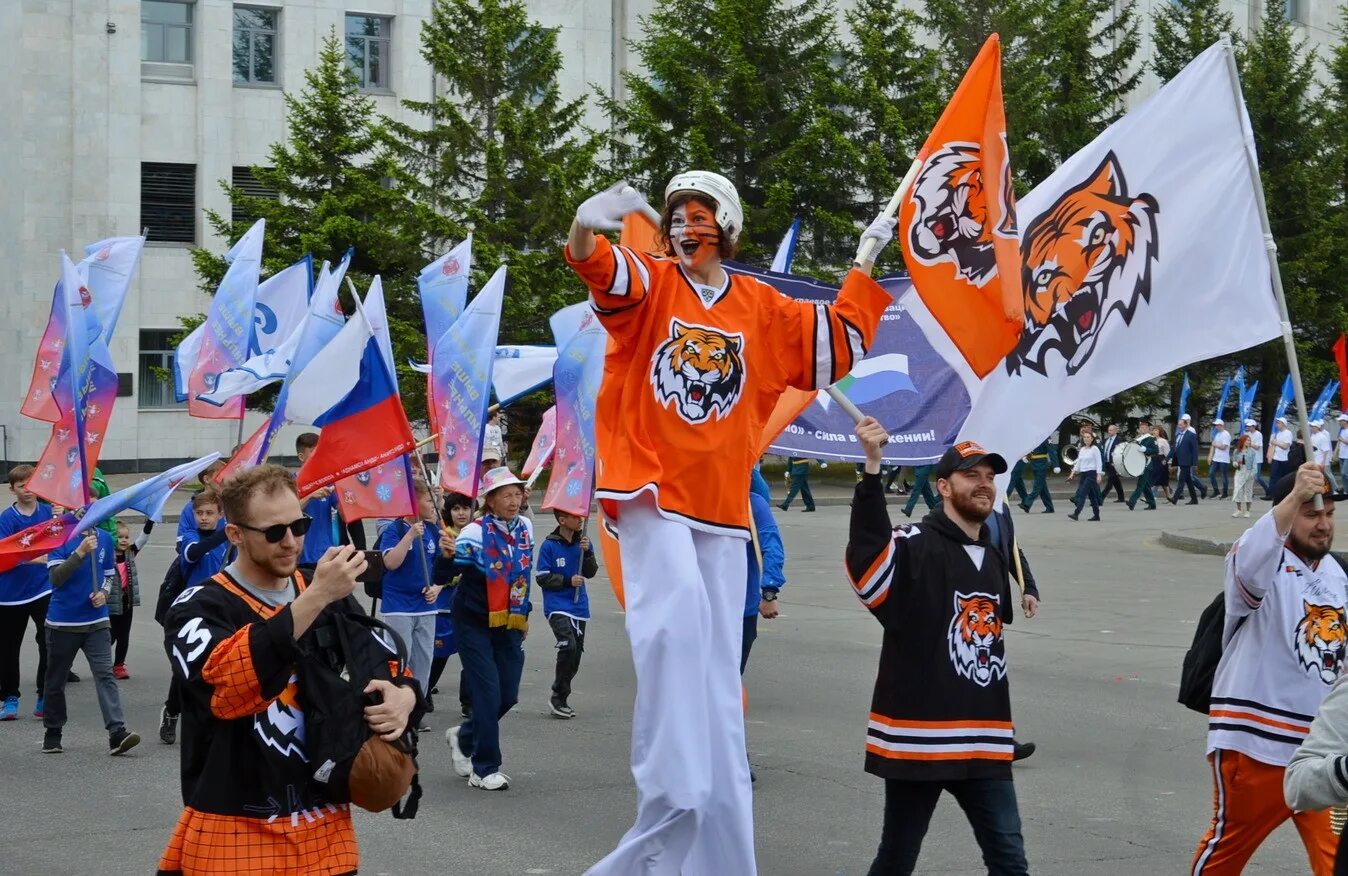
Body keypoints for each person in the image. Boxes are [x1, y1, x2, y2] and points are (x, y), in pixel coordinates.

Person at [566, 171, 894, 873]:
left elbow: (837, 344)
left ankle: (718, 837)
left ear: (728, 226)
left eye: (701, 215)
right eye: (678, 216)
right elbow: (597, 266)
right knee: (675, 618)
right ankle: (672, 789)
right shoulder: (653, 285)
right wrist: (583, 225)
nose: (688, 227)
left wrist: (866, 263)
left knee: (718, 673)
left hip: (720, 507)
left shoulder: (762, 306)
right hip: (650, 489)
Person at [158, 463, 418, 874]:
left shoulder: (322, 589)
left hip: (324, 827)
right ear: (235, 535)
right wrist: (314, 598)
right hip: (234, 829)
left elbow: (383, 664)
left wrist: (405, 695)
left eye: (299, 526)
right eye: (274, 532)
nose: (291, 542)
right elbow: (227, 689)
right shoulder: (199, 606)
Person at [847, 419, 1028, 875]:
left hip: (986, 739)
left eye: (990, 477)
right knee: (897, 857)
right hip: (920, 738)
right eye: (973, 476)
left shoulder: (992, 553)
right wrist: (872, 468)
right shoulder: (914, 544)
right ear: (944, 487)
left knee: (1010, 860)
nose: (985, 485)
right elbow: (869, 565)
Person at [1191, 464, 1347, 875]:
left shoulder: (1338, 574)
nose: (1324, 525)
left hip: (1320, 752)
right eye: (1311, 514)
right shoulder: (1263, 563)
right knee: (1226, 852)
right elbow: (1251, 553)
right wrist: (1295, 494)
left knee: (1336, 858)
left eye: (1329, 514)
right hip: (1256, 744)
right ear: (1288, 511)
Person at [443, 467, 533, 791]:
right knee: (487, 692)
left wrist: (525, 614)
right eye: (506, 494)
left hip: (509, 621)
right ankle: (484, 768)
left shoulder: (525, 528)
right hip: (473, 620)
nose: (514, 500)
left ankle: (464, 738)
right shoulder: (473, 533)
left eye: (517, 493)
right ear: (490, 500)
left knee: (507, 694)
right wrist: (446, 556)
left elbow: (523, 574)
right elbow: (452, 574)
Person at [42, 521, 140, 756]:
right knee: (56, 678)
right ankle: (53, 731)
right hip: (63, 623)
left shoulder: (105, 537)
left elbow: (108, 575)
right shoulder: (59, 536)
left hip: (97, 621)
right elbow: (56, 578)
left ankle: (117, 732)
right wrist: (80, 552)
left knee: (105, 674)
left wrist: (104, 593)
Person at [986, 496, 1041, 762]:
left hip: (992, 611)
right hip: (962, 612)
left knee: (994, 676)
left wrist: (1027, 588)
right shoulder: (954, 508)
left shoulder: (1001, 508)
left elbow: (1013, 551)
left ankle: (1001, 737)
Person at [376, 478, 441, 698]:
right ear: (413, 502)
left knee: (423, 662)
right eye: (428, 499)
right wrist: (410, 535)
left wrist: (437, 588)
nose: (432, 504)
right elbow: (390, 562)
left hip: (426, 606)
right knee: (398, 660)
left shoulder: (432, 529)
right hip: (399, 607)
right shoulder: (394, 529)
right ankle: (395, 703)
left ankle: (417, 709)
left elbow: (445, 568)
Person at [0, 464, 54, 720]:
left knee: (48, 641)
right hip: (10, 594)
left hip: (42, 589)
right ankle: (10, 697)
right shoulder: (6, 519)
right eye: (22, 485)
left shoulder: (48, 512)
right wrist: (38, 559)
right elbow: (7, 554)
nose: (28, 489)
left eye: (31, 484)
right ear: (12, 490)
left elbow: (60, 541)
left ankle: (44, 694)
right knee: (9, 648)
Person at [535, 507, 598, 719]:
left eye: (580, 516)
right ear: (562, 520)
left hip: (579, 606)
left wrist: (588, 552)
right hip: (557, 606)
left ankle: (562, 697)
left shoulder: (583, 544)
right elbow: (542, 577)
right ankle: (557, 695)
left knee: (576, 655)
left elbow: (591, 572)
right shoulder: (549, 545)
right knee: (568, 645)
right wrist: (566, 581)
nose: (579, 519)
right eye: (574, 516)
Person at [427, 492, 473, 717]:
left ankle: (468, 702)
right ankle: (423, 691)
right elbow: (440, 570)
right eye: (456, 509)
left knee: (470, 655)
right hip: (445, 604)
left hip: (470, 604)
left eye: (466, 508)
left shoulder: (478, 535)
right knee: (439, 653)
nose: (462, 513)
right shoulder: (443, 535)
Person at [108, 518, 152, 680]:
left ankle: (119, 665)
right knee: (110, 635)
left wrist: (151, 520)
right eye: (120, 537)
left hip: (127, 602)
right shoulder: (107, 556)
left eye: (126, 537)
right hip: (110, 602)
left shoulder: (130, 553)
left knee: (124, 635)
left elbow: (143, 538)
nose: (124, 540)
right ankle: (102, 662)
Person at [179, 489, 228, 589]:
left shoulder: (226, 543)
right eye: (199, 513)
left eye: (209, 513)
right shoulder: (190, 536)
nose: (204, 517)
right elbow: (192, 553)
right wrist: (225, 533)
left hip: (218, 598)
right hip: (195, 600)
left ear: (220, 515)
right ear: (193, 514)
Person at [1169, 414, 1206, 504]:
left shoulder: (1191, 432)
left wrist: (1195, 463)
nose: (1179, 426)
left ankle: (1175, 498)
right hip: (1180, 460)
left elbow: (1194, 449)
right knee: (1189, 480)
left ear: (1186, 423)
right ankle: (1195, 498)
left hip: (1187, 461)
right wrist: (1167, 459)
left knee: (1182, 479)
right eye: (1179, 424)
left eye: (1181, 424)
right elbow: (1175, 448)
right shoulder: (1179, 434)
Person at [1067, 430, 1103, 521]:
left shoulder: (1095, 449)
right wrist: (1072, 473)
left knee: (1082, 493)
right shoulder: (1082, 449)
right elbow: (1078, 462)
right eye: (1085, 437)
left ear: (1092, 439)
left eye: (1088, 437)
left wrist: (1099, 475)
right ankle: (1097, 515)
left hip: (1092, 473)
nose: (1086, 439)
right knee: (1092, 496)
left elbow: (1099, 462)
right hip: (1084, 474)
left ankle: (1076, 513)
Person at [1127, 418, 1159, 511]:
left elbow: (1156, 451)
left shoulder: (1151, 438)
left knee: (1140, 485)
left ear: (1148, 428)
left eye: (1145, 427)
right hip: (1139, 464)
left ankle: (1132, 502)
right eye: (1141, 427)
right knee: (1146, 486)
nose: (1143, 429)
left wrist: (1145, 449)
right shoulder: (1138, 438)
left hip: (1146, 465)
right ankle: (1152, 504)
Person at [1019, 438, 1059, 514]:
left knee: (1037, 486)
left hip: (1042, 464)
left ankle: (1027, 503)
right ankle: (1049, 507)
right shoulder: (1036, 436)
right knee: (1042, 487)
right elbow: (1032, 450)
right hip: (1034, 463)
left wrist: (1056, 465)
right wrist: (1027, 457)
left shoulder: (1046, 437)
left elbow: (1052, 451)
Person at [1230, 433, 1259, 518]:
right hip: (1239, 472)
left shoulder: (1252, 452)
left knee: (1248, 491)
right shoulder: (1236, 451)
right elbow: (1234, 462)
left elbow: (1254, 465)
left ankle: (1247, 511)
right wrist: (1235, 464)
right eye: (1247, 440)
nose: (1248, 442)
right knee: (1238, 491)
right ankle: (1238, 509)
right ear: (1243, 441)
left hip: (1249, 472)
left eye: (1249, 441)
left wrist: (1252, 474)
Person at [1100, 424, 1127, 503]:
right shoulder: (1106, 440)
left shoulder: (1119, 440)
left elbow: (1122, 452)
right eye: (1109, 430)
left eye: (1111, 430)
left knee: (1110, 481)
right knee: (1116, 480)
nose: (1109, 432)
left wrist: (1118, 462)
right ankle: (1121, 497)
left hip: (1114, 464)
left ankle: (1101, 498)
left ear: (1115, 431)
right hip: (1107, 463)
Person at [1268, 415, 1294, 493]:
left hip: (1285, 459)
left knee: (1284, 477)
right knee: (1273, 476)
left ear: (1283, 424)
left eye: (1278, 423)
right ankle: (1271, 493)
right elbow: (1273, 444)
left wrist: (1276, 442)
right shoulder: (1277, 434)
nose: (1277, 425)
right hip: (1276, 458)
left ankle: (1284, 493)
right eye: (1277, 423)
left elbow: (1285, 446)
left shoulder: (1288, 433)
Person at [1208, 419, 1232, 500]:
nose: (1216, 427)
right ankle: (1216, 490)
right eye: (1216, 425)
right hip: (1216, 458)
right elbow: (1213, 445)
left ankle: (1225, 492)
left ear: (1221, 425)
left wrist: (1216, 444)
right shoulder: (1218, 434)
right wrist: (1211, 456)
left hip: (1224, 459)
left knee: (1223, 476)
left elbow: (1224, 447)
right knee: (1211, 473)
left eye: (1218, 425)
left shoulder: (1226, 434)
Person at [1246, 419, 1268, 496]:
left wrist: (1249, 443)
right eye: (1247, 426)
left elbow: (1258, 447)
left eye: (1249, 426)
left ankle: (1268, 489)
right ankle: (1250, 492)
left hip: (1257, 459)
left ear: (1254, 426)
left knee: (1257, 477)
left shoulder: (1258, 434)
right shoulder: (1247, 434)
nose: (1247, 428)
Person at [1151, 424, 1172, 502]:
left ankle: (1150, 496)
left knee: (1155, 479)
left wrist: (1168, 463)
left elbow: (1168, 453)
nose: (1154, 431)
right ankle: (1169, 496)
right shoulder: (1151, 440)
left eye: (1156, 430)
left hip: (1161, 460)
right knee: (1163, 481)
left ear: (1160, 432)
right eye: (1153, 430)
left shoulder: (1163, 441)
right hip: (1153, 460)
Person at [1311, 420, 1334, 490]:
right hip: (1315, 461)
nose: (1311, 428)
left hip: (1322, 462)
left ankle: (1334, 489)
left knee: (1328, 476)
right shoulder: (1312, 436)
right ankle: (1324, 489)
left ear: (1317, 427)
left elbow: (1326, 450)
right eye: (1311, 427)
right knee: (1319, 477)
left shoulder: (1322, 437)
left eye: (1313, 427)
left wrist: (1323, 462)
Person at [1337, 414, 1348, 491]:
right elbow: (1339, 443)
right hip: (1341, 455)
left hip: (1347, 456)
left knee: (1345, 473)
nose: (1339, 422)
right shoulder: (1341, 431)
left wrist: (1342, 440)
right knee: (1343, 474)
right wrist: (1335, 453)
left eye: (1341, 421)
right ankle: (1346, 490)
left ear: (1345, 421)